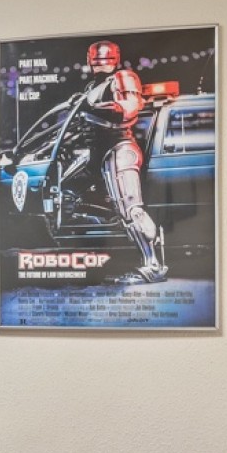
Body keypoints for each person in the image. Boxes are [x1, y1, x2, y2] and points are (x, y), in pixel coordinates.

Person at [76, 40, 166, 284]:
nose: (99, 62)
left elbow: (129, 107)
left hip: (119, 148)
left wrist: (93, 107)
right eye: (96, 58)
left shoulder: (122, 78)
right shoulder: (93, 86)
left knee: (132, 210)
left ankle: (153, 266)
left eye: (103, 57)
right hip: (98, 154)